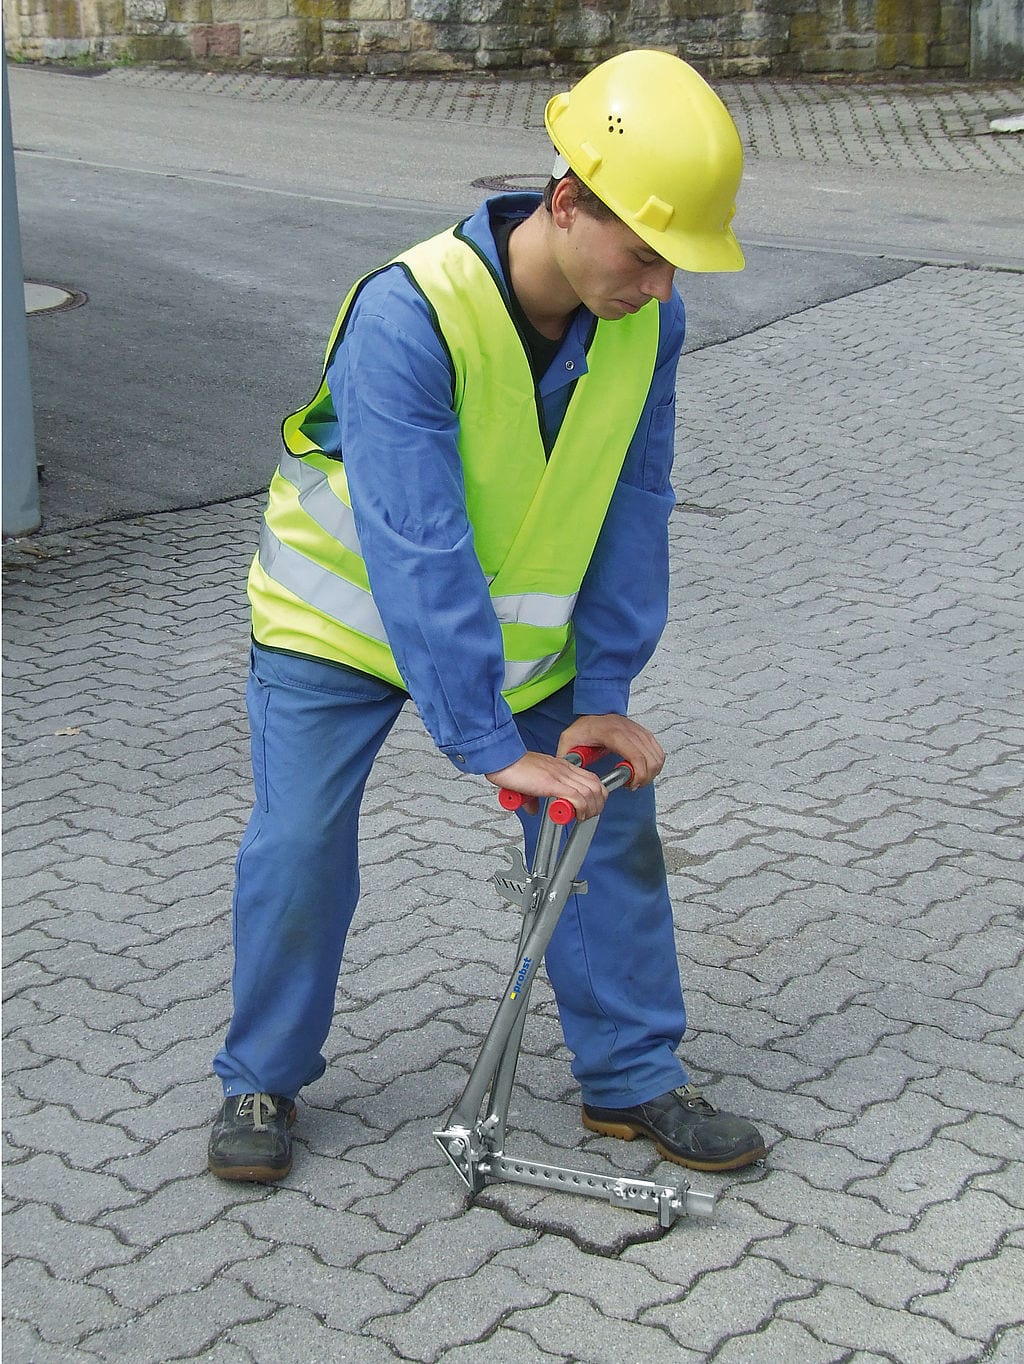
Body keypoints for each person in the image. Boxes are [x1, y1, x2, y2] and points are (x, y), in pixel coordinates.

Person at [208, 48, 766, 1182]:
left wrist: (601, 694)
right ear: (566, 203)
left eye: (676, 262)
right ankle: (260, 1078)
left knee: (600, 816)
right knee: (301, 842)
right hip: (340, 621)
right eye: (645, 250)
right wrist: (490, 744)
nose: (659, 284)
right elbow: (418, 545)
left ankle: (631, 1076)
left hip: (516, 635)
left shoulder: (644, 327)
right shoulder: (407, 314)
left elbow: (632, 502)